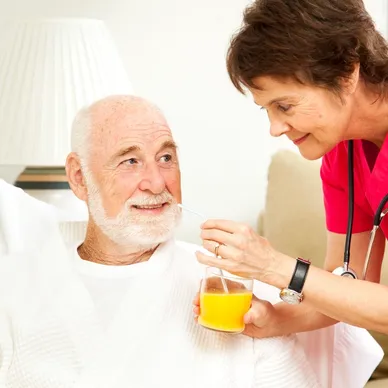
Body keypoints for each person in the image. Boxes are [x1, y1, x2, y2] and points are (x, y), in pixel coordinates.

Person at [0, 94, 323, 387]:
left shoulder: (239, 293)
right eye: (130, 161)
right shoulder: (16, 288)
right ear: (79, 177)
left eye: (166, 158)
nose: (157, 183)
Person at [194, 0, 388, 339]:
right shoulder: (342, 153)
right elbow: (346, 283)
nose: (275, 128)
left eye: (285, 105)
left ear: (347, 73)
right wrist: (275, 320)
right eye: (267, 110)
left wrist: (275, 266)